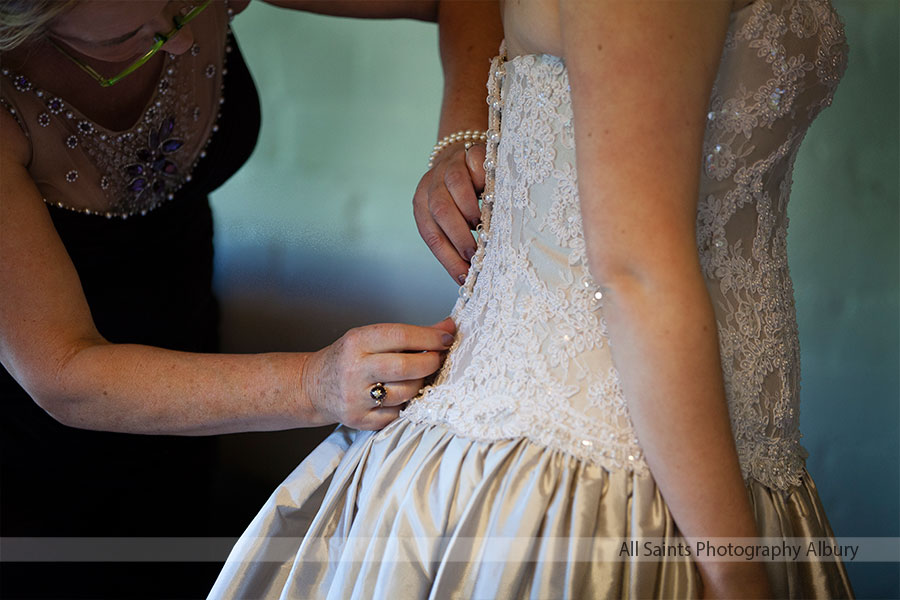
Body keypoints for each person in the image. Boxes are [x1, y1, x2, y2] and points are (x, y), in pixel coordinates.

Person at [209, 0, 857, 598]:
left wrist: (463, 127)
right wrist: (736, 574)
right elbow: (635, 271)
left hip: (727, 460)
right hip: (579, 480)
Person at [0, 0, 502, 597]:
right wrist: (313, 383)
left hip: (186, 332)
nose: (183, 44)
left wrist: (460, 141)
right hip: (33, 423)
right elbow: (63, 372)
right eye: (130, 39)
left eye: (192, 7)